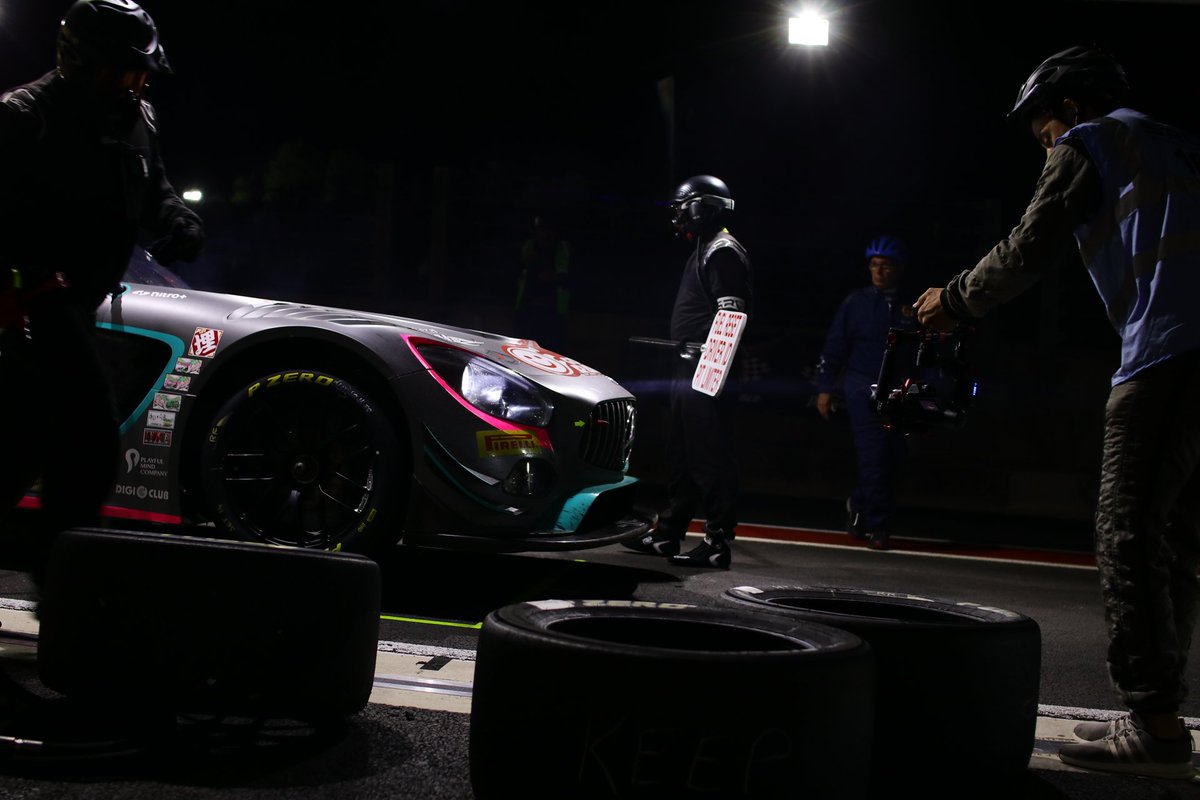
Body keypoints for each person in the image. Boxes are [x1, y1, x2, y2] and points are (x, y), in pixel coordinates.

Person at [914, 45, 1200, 780]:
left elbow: (1029, 245)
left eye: (1043, 131)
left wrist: (955, 300)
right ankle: (1161, 715)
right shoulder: (1177, 143)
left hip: (1169, 352)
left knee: (1127, 530)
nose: (1046, 147)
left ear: (1070, 107)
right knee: (1175, 539)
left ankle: (1155, 729)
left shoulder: (1091, 140)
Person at [0, 0, 204, 592]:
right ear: (83, 63)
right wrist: (27, 280)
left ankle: (58, 579)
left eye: (142, 71)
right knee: (87, 436)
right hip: (24, 309)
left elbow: (154, 189)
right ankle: (65, 585)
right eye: (124, 69)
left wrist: (180, 219)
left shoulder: (139, 118)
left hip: (72, 309)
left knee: (28, 444)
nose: (137, 82)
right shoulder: (24, 117)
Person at [623, 175, 752, 569]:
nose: (678, 219)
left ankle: (717, 542)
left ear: (700, 208)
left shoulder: (723, 251)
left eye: (682, 210)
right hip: (689, 368)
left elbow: (731, 315)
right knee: (680, 453)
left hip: (707, 371)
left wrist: (708, 364)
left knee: (709, 455)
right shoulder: (705, 249)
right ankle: (669, 532)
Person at [815, 236, 919, 551]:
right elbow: (835, 346)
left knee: (895, 456)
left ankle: (859, 504)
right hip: (862, 388)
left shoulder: (912, 304)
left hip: (899, 391)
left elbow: (923, 350)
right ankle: (878, 526)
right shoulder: (856, 302)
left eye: (885, 266)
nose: (879, 271)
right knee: (873, 456)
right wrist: (825, 388)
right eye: (874, 265)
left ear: (898, 269)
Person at [514, 212, 571, 352]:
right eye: (541, 229)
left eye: (548, 229)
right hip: (528, 310)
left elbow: (568, 276)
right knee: (525, 349)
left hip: (553, 312)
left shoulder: (562, 248)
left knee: (551, 349)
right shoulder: (529, 247)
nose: (545, 234)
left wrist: (554, 277)